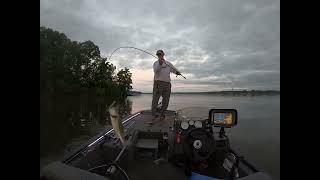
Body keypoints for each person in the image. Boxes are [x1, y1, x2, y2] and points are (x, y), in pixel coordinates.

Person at [149, 50, 181, 124]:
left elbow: (173, 69)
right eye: (158, 54)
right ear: (157, 55)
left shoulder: (168, 63)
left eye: (161, 54)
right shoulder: (156, 63)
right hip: (158, 83)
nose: (160, 55)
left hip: (167, 84)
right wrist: (160, 64)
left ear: (163, 54)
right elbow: (156, 71)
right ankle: (153, 116)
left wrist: (177, 72)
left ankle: (162, 115)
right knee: (155, 100)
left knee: (166, 101)